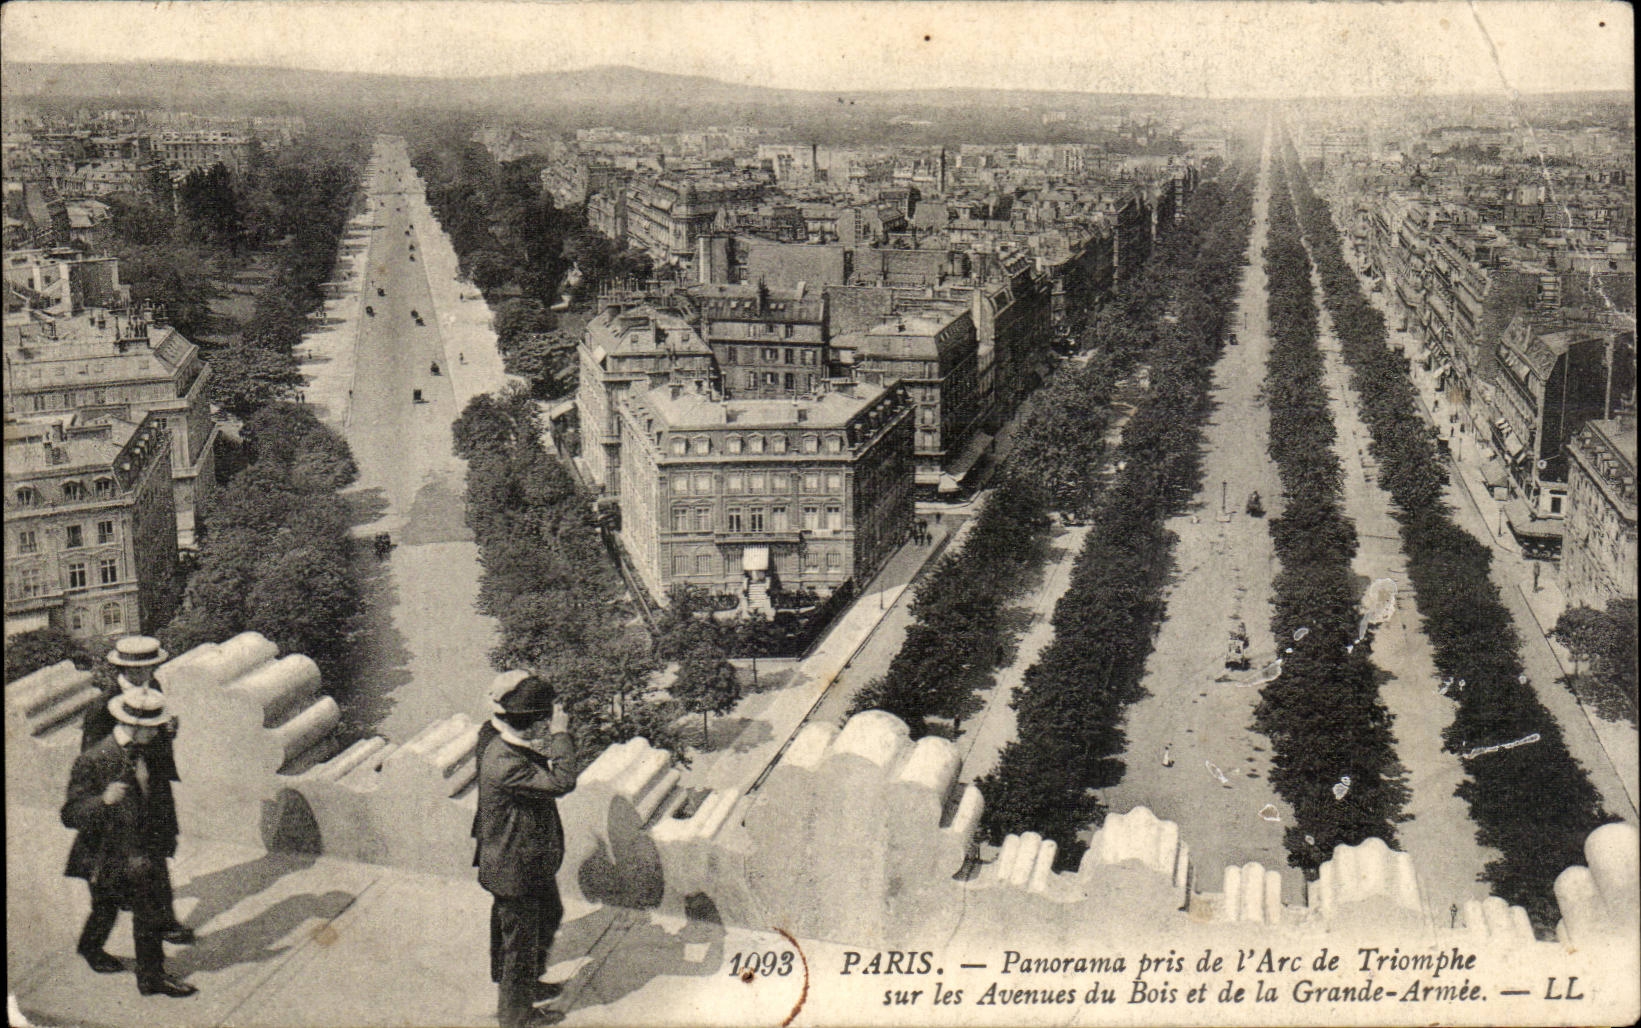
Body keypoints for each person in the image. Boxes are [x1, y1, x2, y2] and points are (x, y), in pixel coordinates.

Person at [62, 687, 197, 997]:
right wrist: (103, 801)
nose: (158, 732)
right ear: (134, 726)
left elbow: (155, 794)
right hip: (106, 854)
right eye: (153, 727)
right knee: (106, 908)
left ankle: (150, 977)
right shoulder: (93, 759)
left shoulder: (147, 748)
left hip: (142, 849)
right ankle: (93, 949)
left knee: (147, 912)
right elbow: (70, 814)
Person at [472, 671, 578, 1028]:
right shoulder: (504, 763)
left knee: (546, 916)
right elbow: (562, 781)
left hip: (521, 860)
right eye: (543, 719)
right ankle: (516, 1017)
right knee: (519, 942)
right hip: (514, 867)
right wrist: (561, 734)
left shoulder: (496, 737)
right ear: (533, 725)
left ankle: (524, 985)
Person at [80, 637, 192, 946]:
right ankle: (117, 930)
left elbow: (154, 735)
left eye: (151, 667)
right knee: (132, 860)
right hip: (124, 794)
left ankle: (163, 920)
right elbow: (90, 758)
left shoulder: (154, 688)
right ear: (124, 668)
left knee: (157, 852)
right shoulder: (103, 707)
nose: (147, 674)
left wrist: (166, 733)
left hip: (154, 786)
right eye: (140, 669)